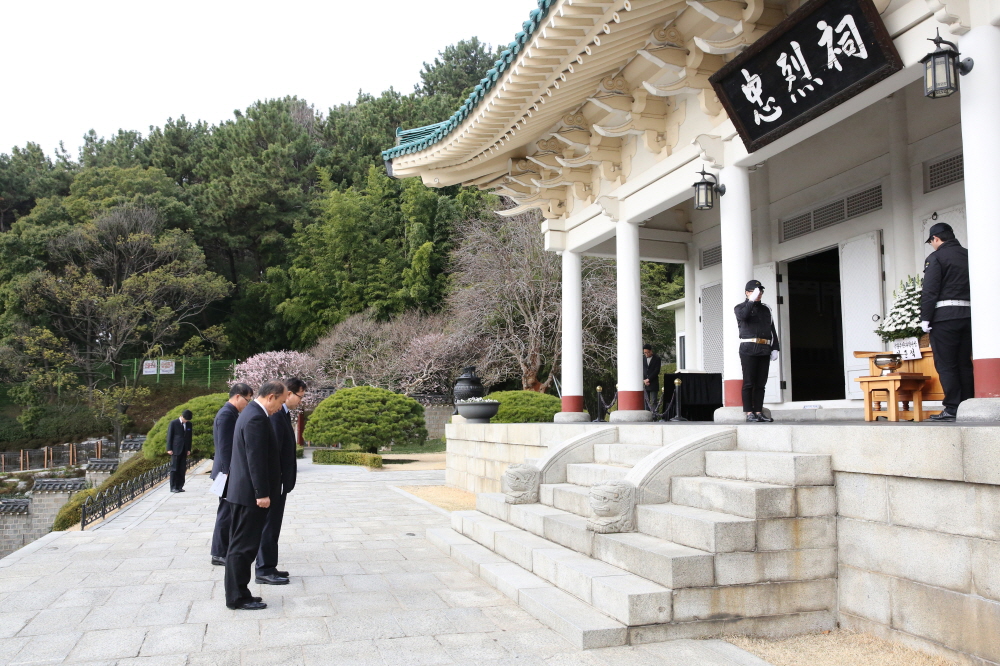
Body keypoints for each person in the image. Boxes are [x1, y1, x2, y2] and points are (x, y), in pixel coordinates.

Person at [224, 380, 285, 610]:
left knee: (241, 546)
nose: (280, 407)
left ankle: (239, 592)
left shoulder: (251, 412)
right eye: (280, 401)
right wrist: (262, 493)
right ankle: (237, 597)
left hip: (243, 492)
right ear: (271, 397)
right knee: (243, 547)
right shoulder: (256, 417)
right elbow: (255, 458)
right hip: (249, 494)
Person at [255, 377, 307, 584]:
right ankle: (264, 569)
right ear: (288, 394)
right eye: (299, 397)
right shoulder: (276, 416)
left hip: (280, 481)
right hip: (274, 482)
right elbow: (272, 453)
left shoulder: (283, 414)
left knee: (274, 525)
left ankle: (270, 565)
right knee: (269, 525)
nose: (300, 401)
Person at [921, 222, 973, 422]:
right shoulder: (969, 254)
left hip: (944, 318)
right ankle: (968, 405)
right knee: (964, 363)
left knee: (946, 364)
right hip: (968, 316)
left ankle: (952, 408)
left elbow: (930, 290)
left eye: (932, 242)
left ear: (936, 239)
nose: (932, 245)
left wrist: (925, 318)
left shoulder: (936, 258)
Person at [210, 383, 253, 566]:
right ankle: (219, 553)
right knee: (225, 513)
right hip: (226, 472)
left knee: (229, 512)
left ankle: (225, 549)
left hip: (227, 471)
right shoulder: (227, 414)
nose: (247, 404)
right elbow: (226, 447)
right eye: (247, 400)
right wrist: (229, 472)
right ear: (237, 396)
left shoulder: (230, 413)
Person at [735, 280, 779, 423]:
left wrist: (775, 347)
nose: (758, 294)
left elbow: (771, 329)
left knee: (761, 383)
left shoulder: (766, 309)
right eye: (755, 291)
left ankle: (759, 412)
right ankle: (749, 413)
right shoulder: (740, 307)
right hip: (748, 348)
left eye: (760, 291)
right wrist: (751, 301)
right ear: (747, 292)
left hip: (764, 348)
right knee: (749, 382)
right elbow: (743, 317)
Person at [166, 410, 193, 492]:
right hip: (175, 449)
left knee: (182, 468)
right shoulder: (174, 423)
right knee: (174, 468)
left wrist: (188, 449)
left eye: (187, 420)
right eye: (185, 419)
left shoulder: (189, 424)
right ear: (181, 416)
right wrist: (169, 448)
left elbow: (189, 437)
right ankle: (173, 487)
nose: (186, 421)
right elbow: (169, 436)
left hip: (184, 449)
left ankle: (180, 486)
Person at [642, 344, 661, 411]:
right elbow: (642, 370)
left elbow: (657, 370)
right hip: (645, 383)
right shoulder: (643, 359)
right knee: (646, 401)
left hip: (653, 382)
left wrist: (649, 379)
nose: (646, 354)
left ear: (651, 351)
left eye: (648, 352)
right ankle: (646, 415)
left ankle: (654, 416)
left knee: (654, 401)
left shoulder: (657, 358)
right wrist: (644, 380)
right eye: (645, 353)